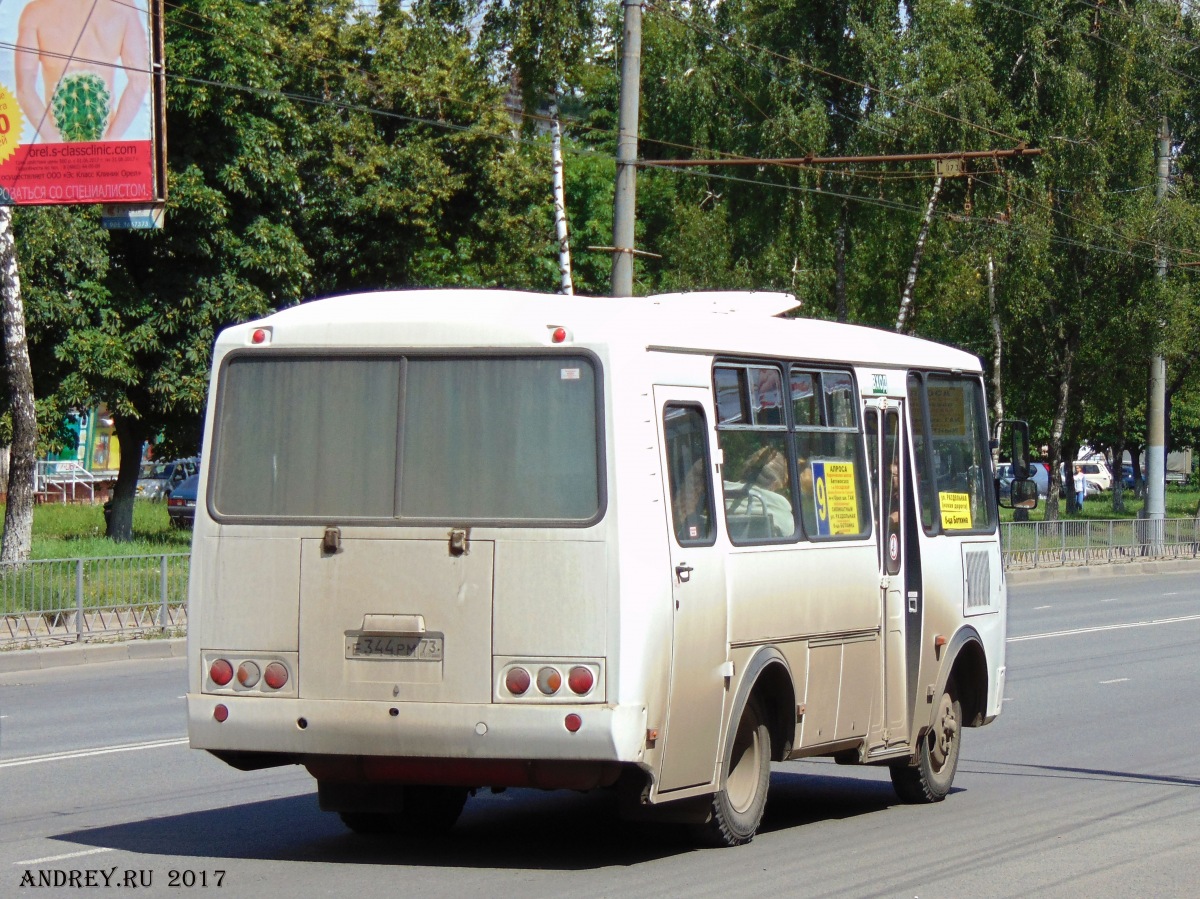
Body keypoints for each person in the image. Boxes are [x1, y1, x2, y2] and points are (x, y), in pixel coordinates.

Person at [15, 0, 150, 143]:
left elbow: (24, 89)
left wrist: (53, 139)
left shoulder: (36, 12)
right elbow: (140, 80)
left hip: (55, 144)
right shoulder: (123, 7)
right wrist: (111, 138)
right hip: (103, 142)